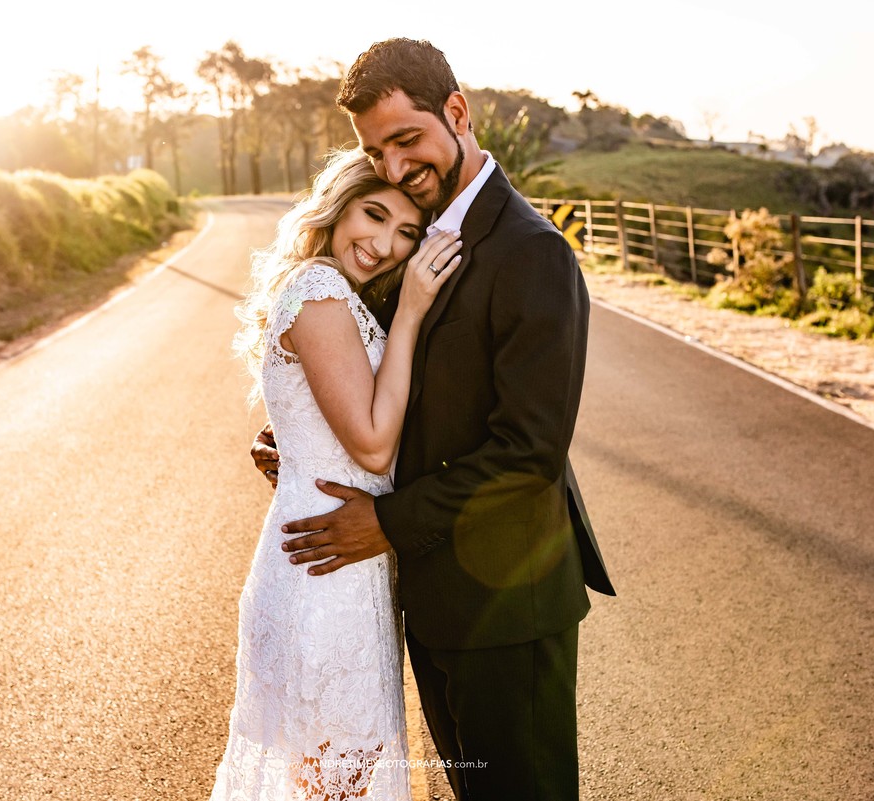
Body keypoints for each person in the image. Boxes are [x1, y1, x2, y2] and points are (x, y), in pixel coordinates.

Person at [253, 39, 615, 800]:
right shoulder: (407, 242)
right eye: (373, 152)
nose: (391, 165)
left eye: (406, 139)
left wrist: (385, 521)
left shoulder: (532, 252)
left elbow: (530, 451)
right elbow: (384, 380)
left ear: (457, 111)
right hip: (429, 602)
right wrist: (303, 435)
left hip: (509, 605)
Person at [212, 148, 463, 801]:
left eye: (406, 232)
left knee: (330, 781)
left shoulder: (332, 291)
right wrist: (410, 312)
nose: (384, 244)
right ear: (338, 205)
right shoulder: (320, 290)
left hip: (339, 560)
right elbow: (376, 448)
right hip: (326, 574)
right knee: (336, 781)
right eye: (373, 215)